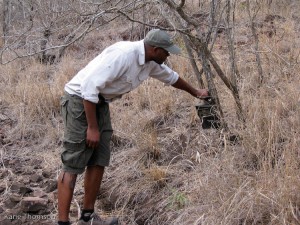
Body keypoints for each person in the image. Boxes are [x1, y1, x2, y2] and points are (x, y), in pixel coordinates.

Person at [57, 29, 209, 225]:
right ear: (155, 49)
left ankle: (88, 218)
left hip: (100, 103)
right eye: (166, 51)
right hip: (80, 101)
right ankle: (62, 222)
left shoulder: (151, 62)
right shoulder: (123, 55)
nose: (169, 55)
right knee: (73, 161)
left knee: (98, 158)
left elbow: (171, 78)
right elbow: (88, 87)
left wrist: (195, 92)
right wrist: (92, 128)